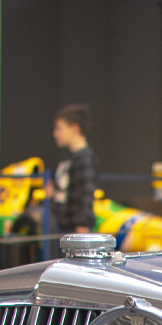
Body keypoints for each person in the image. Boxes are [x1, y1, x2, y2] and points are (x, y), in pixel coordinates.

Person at [47, 104, 99, 246]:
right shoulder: (68, 158)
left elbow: (85, 195)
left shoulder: (85, 159)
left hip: (74, 231)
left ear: (74, 129)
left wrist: (82, 226)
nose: (55, 134)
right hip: (63, 228)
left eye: (60, 128)